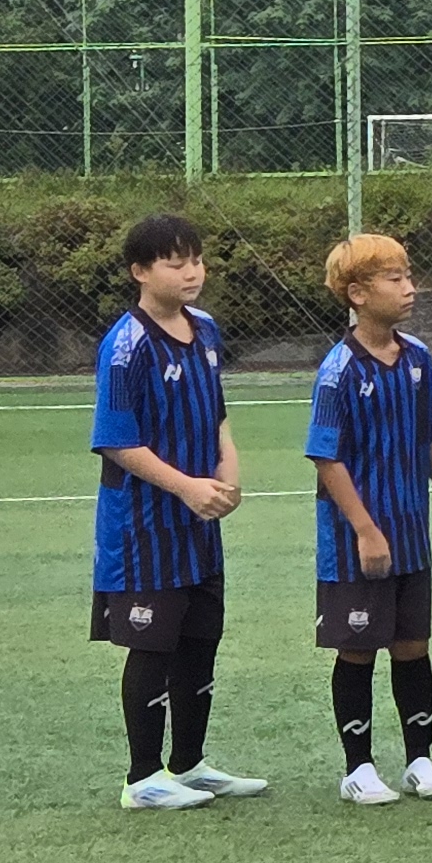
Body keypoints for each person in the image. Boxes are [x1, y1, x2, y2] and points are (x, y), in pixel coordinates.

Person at [92, 212, 262, 810]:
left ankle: (189, 764)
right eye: (175, 263)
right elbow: (117, 441)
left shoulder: (206, 330)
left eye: (197, 260)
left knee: (200, 638)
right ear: (140, 272)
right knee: (152, 644)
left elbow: (218, 416)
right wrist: (187, 487)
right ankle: (142, 778)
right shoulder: (125, 345)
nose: (192, 272)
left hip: (197, 525)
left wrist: (228, 473)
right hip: (143, 526)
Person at [304, 232, 432, 805]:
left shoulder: (417, 357)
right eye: (394, 279)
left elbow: (430, 436)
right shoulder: (338, 371)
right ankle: (358, 768)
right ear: (357, 294)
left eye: (408, 275)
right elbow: (326, 457)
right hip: (357, 543)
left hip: (409, 535)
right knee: (357, 648)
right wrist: (366, 530)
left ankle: (420, 759)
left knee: (413, 645)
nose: (409, 288)